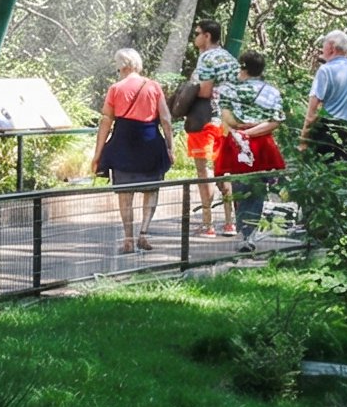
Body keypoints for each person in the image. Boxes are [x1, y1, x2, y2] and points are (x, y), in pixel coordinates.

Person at [92, 47, 173, 255]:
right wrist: (169, 147)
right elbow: (165, 119)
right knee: (151, 190)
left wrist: (98, 153)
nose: (118, 70)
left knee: (124, 193)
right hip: (150, 142)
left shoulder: (115, 89)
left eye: (118, 67)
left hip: (123, 143)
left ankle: (128, 237)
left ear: (124, 66)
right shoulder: (153, 86)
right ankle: (143, 233)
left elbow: (105, 123)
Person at [215, 51, 287, 248]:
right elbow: (275, 121)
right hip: (262, 144)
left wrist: (243, 132)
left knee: (241, 188)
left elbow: (228, 119)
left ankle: (245, 234)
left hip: (238, 143)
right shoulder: (272, 92)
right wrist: (255, 131)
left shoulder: (229, 90)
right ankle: (251, 233)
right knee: (257, 190)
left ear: (243, 68)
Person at [181, 19, 239, 237]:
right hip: (227, 121)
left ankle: (208, 224)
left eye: (197, 33)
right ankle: (229, 222)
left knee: (203, 171)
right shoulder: (230, 59)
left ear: (207, 36)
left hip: (206, 121)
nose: (195, 37)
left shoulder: (206, 58)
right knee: (224, 170)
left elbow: (204, 92)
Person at [301, 30, 347, 160]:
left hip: (325, 133)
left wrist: (303, 141)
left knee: (322, 171)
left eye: (324, 45)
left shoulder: (325, 70)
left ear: (331, 47)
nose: (322, 48)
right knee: (343, 172)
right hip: (346, 133)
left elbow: (311, 112)